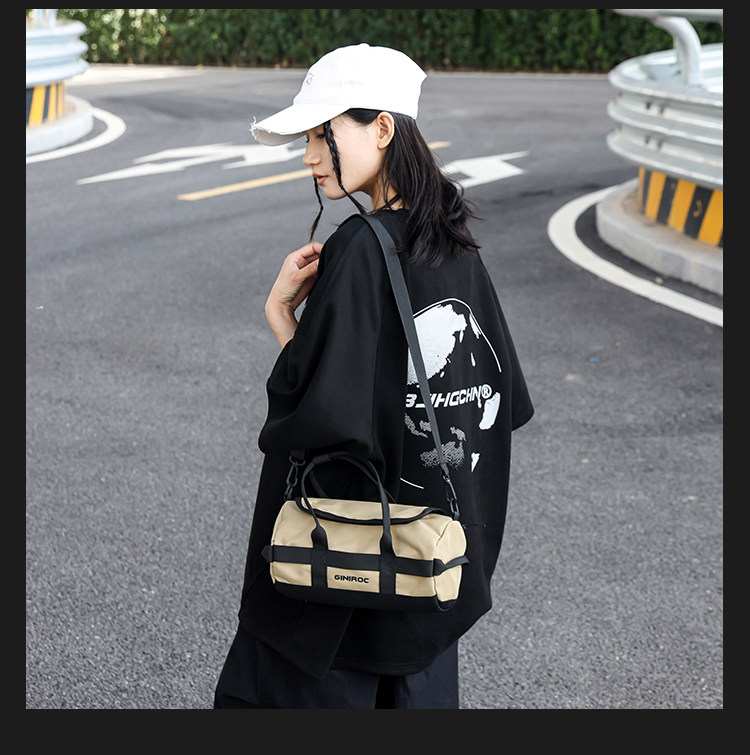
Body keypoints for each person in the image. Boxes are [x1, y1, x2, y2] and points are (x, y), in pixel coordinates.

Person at [214, 43, 533, 709]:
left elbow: (318, 417)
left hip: (345, 588)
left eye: (319, 135)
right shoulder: (454, 242)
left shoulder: (359, 249)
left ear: (382, 128)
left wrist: (280, 315)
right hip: (431, 579)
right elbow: (503, 403)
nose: (309, 157)